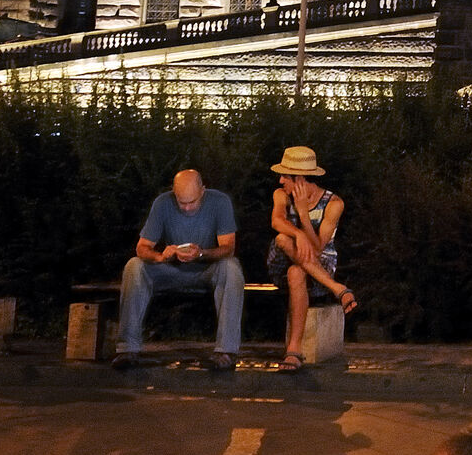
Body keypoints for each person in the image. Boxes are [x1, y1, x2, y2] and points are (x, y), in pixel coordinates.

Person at [116, 168, 243, 372]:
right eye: (181, 202)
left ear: (203, 191)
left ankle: (226, 351)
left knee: (231, 267)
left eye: (191, 202)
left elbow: (228, 247)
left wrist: (201, 253)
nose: (185, 208)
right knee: (134, 266)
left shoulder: (220, 202)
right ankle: (127, 349)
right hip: (172, 269)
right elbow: (142, 247)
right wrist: (161, 256)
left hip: (206, 268)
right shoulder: (163, 203)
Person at [265, 147, 355, 370]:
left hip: (319, 267)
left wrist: (304, 215)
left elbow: (316, 250)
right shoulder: (281, 195)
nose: (280, 180)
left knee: (297, 272)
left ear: (300, 178)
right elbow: (277, 221)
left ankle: (294, 351)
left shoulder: (333, 204)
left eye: (286, 175)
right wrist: (297, 235)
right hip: (281, 261)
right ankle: (337, 288)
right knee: (284, 240)